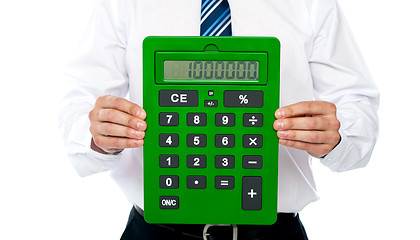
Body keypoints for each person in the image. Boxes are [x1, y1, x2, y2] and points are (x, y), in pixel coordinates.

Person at [59, 0, 379, 239]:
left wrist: (337, 136)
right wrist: (97, 134)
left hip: (274, 234)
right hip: (155, 231)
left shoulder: (310, 2)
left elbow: (357, 106)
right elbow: (79, 106)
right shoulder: (124, 3)